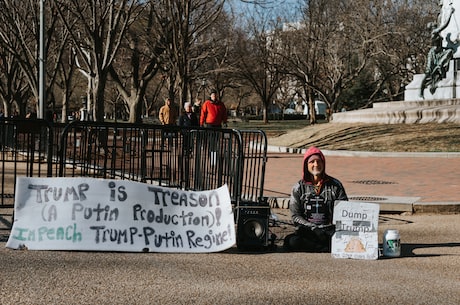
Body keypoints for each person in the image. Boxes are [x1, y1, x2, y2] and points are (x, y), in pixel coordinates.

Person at [284, 146, 348, 252]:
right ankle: (324, 248)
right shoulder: (298, 187)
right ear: (306, 165)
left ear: (323, 163)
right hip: (308, 231)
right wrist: (313, 228)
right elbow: (295, 215)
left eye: (319, 161)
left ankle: (322, 246)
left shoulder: (336, 185)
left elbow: (345, 211)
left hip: (329, 231)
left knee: (344, 239)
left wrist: (329, 228)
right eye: (312, 162)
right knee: (290, 241)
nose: (316, 165)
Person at [420, 5, 455, 98]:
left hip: (440, 53)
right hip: (433, 54)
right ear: (432, 27)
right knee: (428, 72)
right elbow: (445, 24)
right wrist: (450, 13)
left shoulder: (436, 32)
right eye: (433, 23)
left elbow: (440, 21)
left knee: (450, 51)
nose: (434, 23)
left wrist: (441, 13)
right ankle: (421, 91)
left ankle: (439, 66)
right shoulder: (434, 32)